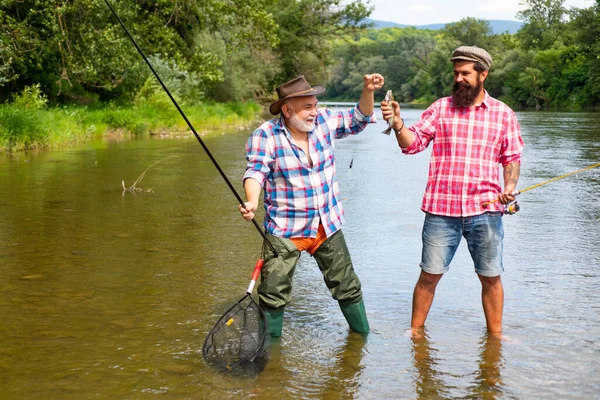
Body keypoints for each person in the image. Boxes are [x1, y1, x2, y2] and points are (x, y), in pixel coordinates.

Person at [381, 46, 524, 333]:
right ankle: (415, 332)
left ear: (483, 75)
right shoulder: (440, 108)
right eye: (456, 73)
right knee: (429, 274)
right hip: (441, 210)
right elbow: (413, 144)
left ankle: (495, 338)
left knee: (491, 276)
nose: (459, 79)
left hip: (486, 210)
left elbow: (512, 158)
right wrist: (397, 124)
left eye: (465, 73)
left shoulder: (503, 114)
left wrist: (509, 187)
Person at [239, 74, 384, 337]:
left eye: (315, 105)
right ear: (287, 109)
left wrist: (367, 90)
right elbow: (255, 172)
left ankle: (363, 338)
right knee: (273, 293)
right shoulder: (266, 135)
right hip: (285, 229)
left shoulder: (325, 121)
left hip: (326, 224)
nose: (314, 112)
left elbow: (358, 117)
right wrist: (251, 200)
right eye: (307, 107)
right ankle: (271, 354)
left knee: (347, 286)